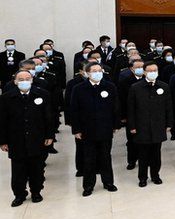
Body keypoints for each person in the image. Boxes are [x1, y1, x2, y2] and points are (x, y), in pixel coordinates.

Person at [0, 70, 56, 206]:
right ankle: (19, 194)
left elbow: (49, 117)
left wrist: (50, 135)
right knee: (18, 169)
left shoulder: (43, 94)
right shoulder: (6, 98)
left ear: (32, 80)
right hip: (16, 139)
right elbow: (2, 121)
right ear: (15, 81)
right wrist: (3, 141)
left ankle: (36, 192)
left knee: (36, 168)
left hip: (37, 137)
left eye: (27, 78)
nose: (24, 81)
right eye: (21, 79)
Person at [69, 62, 120, 195]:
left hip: (105, 128)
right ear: (87, 73)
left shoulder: (110, 86)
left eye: (100, 70)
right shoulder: (79, 88)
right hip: (87, 129)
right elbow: (74, 110)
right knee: (89, 158)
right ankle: (88, 185)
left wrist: (115, 125)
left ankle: (108, 182)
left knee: (105, 156)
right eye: (94, 71)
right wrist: (76, 129)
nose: (98, 73)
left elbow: (115, 107)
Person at [127, 62, 172, 187]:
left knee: (156, 154)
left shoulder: (164, 86)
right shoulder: (136, 87)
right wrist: (132, 126)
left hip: (158, 125)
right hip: (142, 126)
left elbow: (168, 107)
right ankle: (142, 177)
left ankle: (155, 175)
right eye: (150, 70)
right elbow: (130, 109)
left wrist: (169, 123)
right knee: (143, 154)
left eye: (155, 70)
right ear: (145, 72)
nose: (153, 73)